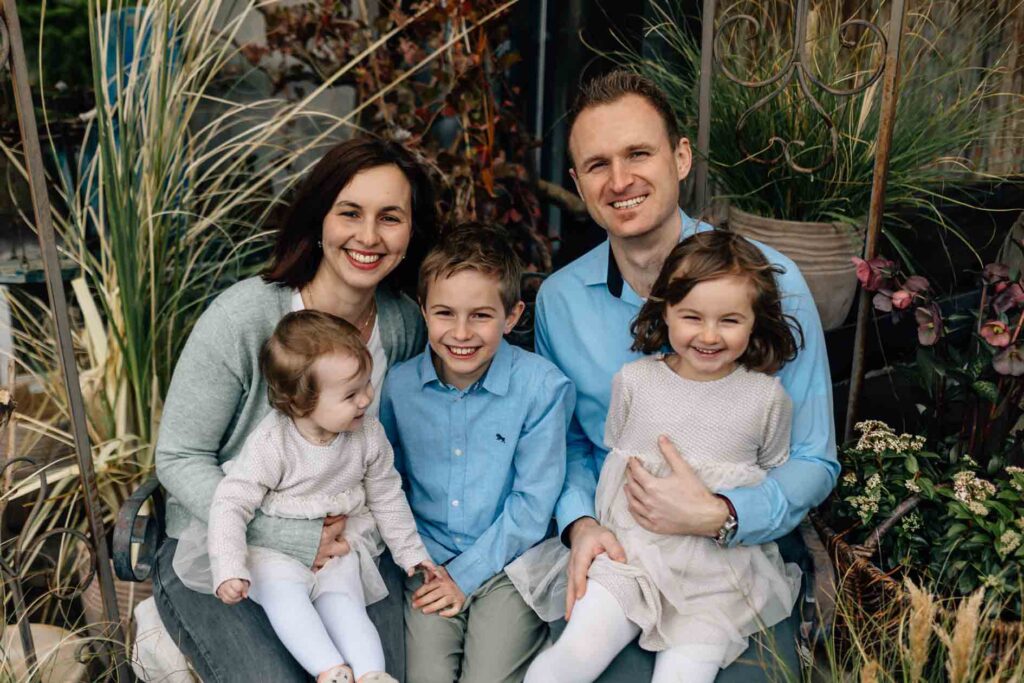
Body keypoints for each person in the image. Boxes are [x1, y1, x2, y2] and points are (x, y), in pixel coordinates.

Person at [535, 71, 838, 681]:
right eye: (597, 165)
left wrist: (723, 513)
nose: (619, 181)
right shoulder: (559, 300)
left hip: (737, 558)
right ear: (578, 184)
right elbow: (564, 441)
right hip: (621, 548)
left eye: (638, 153)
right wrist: (580, 523)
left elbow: (812, 457)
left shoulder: (769, 282)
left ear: (680, 157)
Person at [154, 137, 438, 682]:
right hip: (224, 547)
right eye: (350, 213)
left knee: (378, 674)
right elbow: (179, 455)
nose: (369, 236)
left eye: (391, 217)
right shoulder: (245, 317)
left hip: (346, 549)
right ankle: (164, 625)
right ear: (319, 220)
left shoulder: (404, 325)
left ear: (411, 231)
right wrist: (284, 536)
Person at [517, 231, 804, 682]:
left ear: (754, 322)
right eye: (691, 316)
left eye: (729, 320)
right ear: (665, 311)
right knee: (575, 652)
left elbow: (770, 467)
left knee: (684, 676)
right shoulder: (635, 381)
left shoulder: (766, 398)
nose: (709, 336)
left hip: (716, 575)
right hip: (631, 552)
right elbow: (616, 453)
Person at [171, 311, 435, 683]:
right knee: (286, 600)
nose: (365, 400)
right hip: (272, 551)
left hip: (337, 547)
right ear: (300, 403)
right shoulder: (273, 442)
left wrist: (412, 554)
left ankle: (372, 674)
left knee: (346, 604)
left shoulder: (367, 435)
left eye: (366, 385)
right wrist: (230, 566)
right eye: (350, 394)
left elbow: (387, 495)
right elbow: (231, 502)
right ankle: (330, 670)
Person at [379, 223, 576, 683]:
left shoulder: (541, 388)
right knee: (426, 676)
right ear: (422, 310)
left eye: (481, 316)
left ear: (511, 316)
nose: (461, 333)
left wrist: (466, 577)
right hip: (428, 559)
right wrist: (423, 562)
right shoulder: (399, 387)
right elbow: (388, 481)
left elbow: (533, 503)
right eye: (445, 313)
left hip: (512, 562)